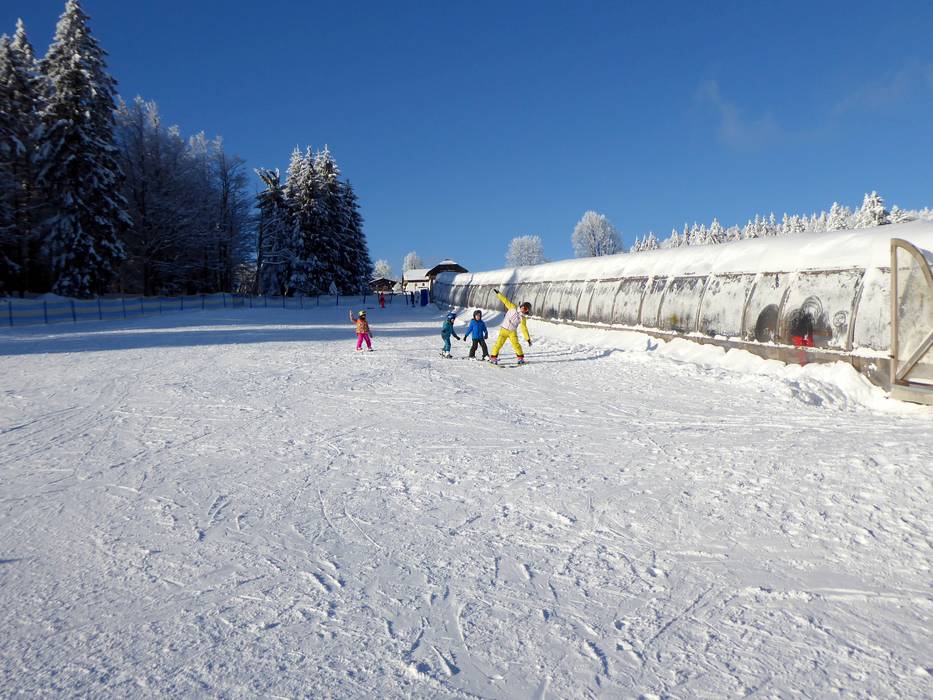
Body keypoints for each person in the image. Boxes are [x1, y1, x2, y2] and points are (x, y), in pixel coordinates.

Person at [489, 288, 532, 365]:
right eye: (523, 307)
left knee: (516, 345)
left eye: (525, 309)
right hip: (504, 330)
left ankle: (520, 359)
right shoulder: (512, 307)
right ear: (521, 306)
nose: (523, 309)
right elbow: (505, 300)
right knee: (498, 344)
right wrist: (498, 294)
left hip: (512, 332)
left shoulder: (522, 318)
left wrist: (528, 339)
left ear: (527, 311)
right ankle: (493, 358)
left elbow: (524, 329)